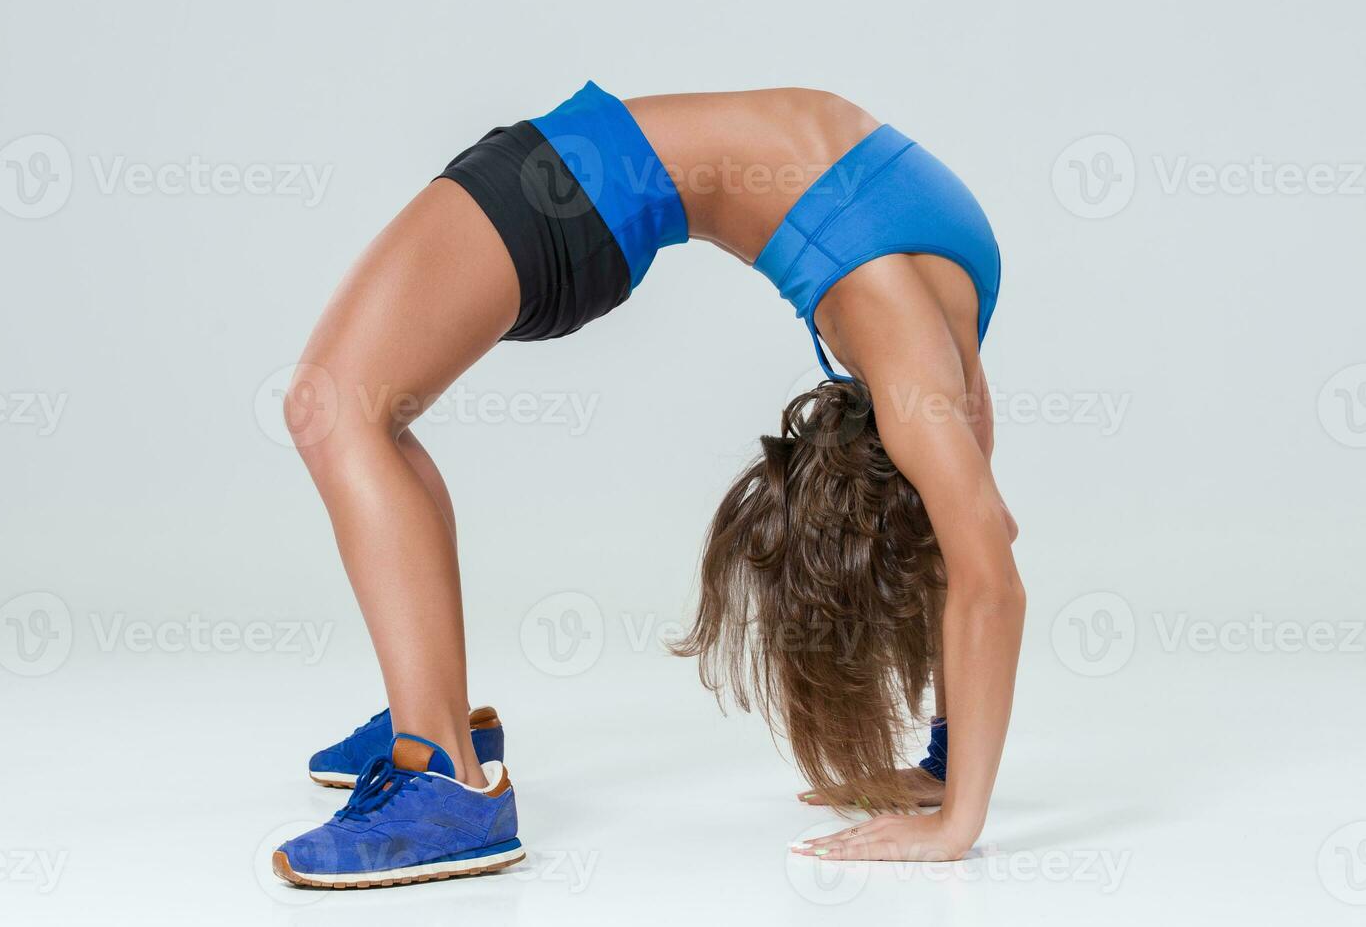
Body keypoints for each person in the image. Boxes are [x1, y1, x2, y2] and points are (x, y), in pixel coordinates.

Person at [271, 82, 1025, 888]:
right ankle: (436, 719)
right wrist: (950, 782)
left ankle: (441, 778)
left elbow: (981, 564)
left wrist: (956, 820)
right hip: (591, 179)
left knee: (334, 409)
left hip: (581, 186)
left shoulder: (921, 349)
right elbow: (981, 557)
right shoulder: (928, 377)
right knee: (353, 413)